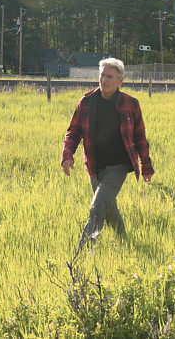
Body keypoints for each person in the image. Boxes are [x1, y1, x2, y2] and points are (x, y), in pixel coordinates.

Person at [61, 57, 153, 250]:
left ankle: (83, 251)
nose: (104, 80)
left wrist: (146, 166)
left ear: (120, 81)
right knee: (109, 207)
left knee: (97, 206)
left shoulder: (131, 104)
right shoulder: (86, 102)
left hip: (118, 166)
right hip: (94, 165)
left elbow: (140, 137)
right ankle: (126, 243)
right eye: (102, 76)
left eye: (110, 77)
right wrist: (67, 155)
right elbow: (73, 131)